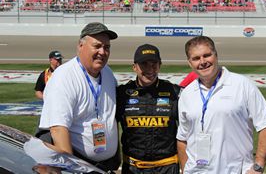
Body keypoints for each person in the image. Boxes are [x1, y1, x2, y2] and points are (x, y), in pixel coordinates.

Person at [176, 36, 266, 174]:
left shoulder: (241, 84)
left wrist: (258, 167)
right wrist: (184, 169)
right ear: (190, 63)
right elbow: (182, 138)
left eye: (207, 55)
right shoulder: (187, 93)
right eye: (196, 58)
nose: (203, 61)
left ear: (216, 55)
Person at [37, 22, 120, 173]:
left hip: (106, 165)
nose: (102, 52)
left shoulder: (107, 73)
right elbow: (57, 129)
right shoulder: (64, 77)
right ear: (80, 46)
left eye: (107, 47)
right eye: (97, 46)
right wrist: (72, 169)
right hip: (81, 164)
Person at [116, 44, 181, 174]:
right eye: (144, 64)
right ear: (134, 67)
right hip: (133, 168)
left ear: (160, 65)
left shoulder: (174, 92)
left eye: (154, 64)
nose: (150, 69)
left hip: (167, 168)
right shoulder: (122, 94)